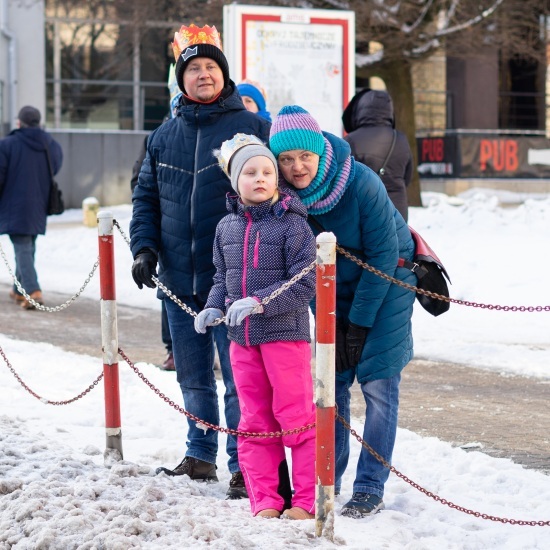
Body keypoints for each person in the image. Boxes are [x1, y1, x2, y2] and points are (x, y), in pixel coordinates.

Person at [129, 23, 270, 499]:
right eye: (194, 68)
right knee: (192, 377)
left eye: (211, 66)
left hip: (232, 279)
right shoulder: (163, 135)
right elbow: (145, 196)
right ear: (181, 78)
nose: (203, 74)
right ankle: (199, 455)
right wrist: (144, 249)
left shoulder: (251, 129)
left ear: (224, 75)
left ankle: (242, 464)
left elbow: (273, 191)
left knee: (239, 381)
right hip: (176, 278)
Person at [269, 105, 417, 518]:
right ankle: (327, 477)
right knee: (330, 389)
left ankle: (371, 486)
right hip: (333, 290)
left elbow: (385, 255)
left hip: (388, 284)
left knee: (378, 385)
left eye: (305, 156)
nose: (297, 167)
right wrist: (329, 317)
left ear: (319, 152)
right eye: (286, 159)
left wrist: (358, 323)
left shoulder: (359, 182)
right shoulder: (287, 198)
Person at [194, 134, 316, 520]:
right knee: (254, 421)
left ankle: (307, 501)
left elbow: (305, 282)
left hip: (285, 337)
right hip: (240, 342)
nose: (260, 178)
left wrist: (261, 303)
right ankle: (264, 499)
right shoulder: (225, 227)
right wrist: (213, 306)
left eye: (267, 171)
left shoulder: (293, 227)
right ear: (235, 181)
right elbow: (221, 277)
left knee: (296, 417)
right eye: (250, 172)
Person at [129, 65, 183, 372]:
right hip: (168, 230)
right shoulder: (158, 138)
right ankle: (172, 347)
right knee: (171, 294)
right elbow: (141, 184)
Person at [0, 105, 63, 310]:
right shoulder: (50, 144)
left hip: (14, 205)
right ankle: (18, 290)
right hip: (38, 203)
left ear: (19, 123)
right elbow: (56, 164)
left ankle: (33, 291)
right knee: (27, 246)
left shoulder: (7, 144)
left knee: (23, 247)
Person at [342, 89, 413, 221]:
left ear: (360, 109)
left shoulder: (350, 140)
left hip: (366, 210)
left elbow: (343, 181)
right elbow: (407, 176)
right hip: (398, 210)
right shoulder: (401, 138)